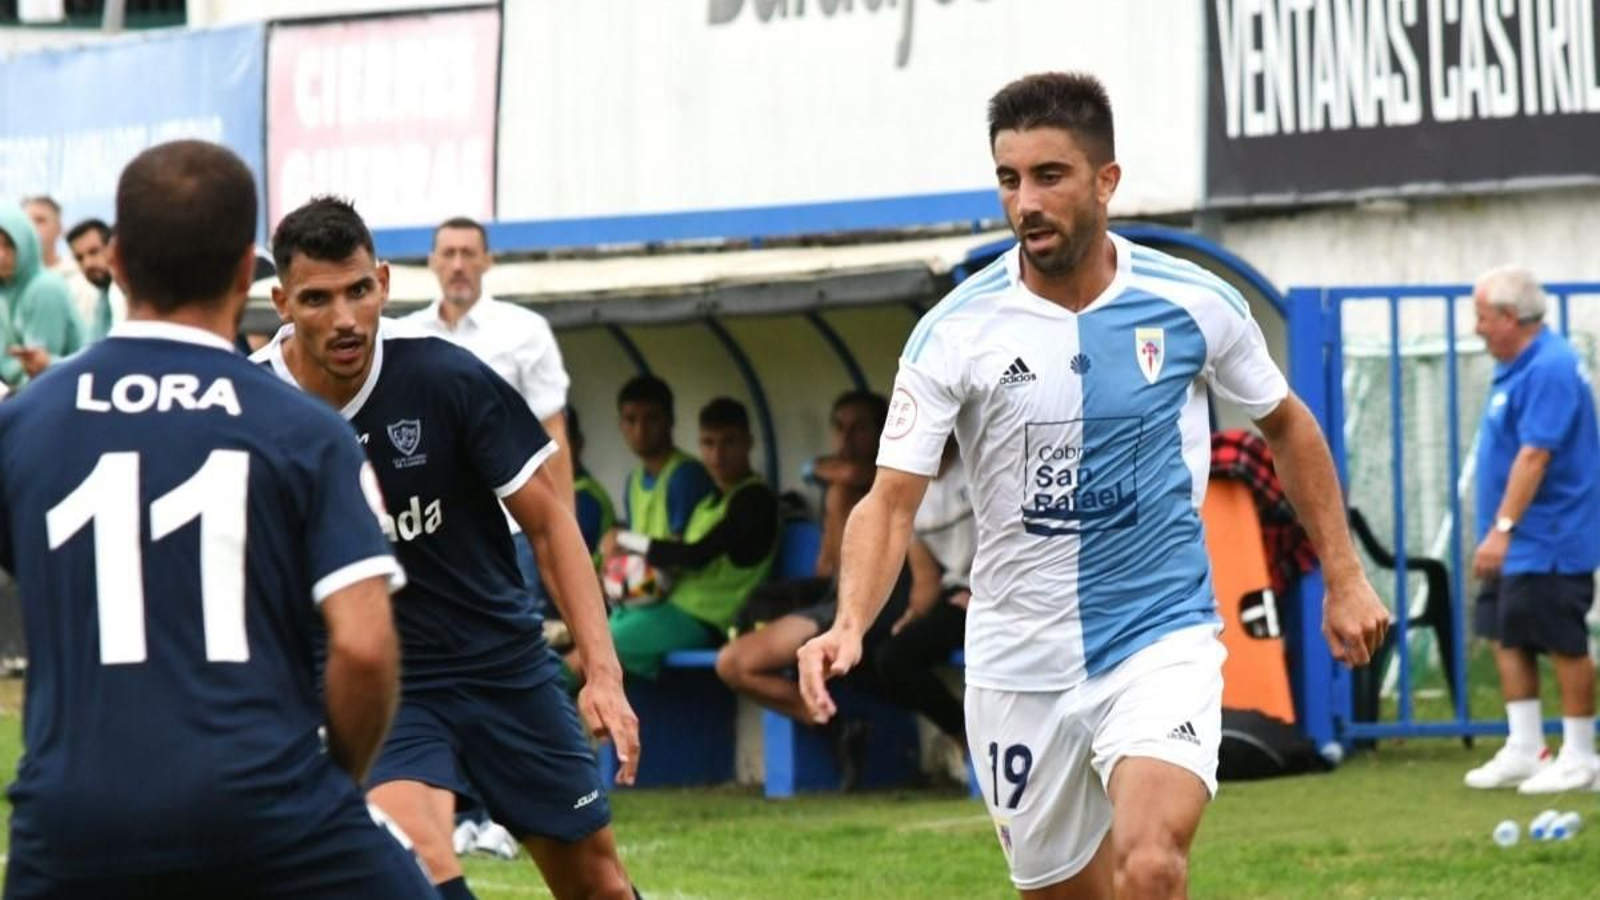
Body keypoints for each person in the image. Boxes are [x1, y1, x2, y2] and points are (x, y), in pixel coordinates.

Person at [797, 72, 1388, 898]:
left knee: (1149, 867)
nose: (1025, 202)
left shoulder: (1191, 303)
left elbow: (1288, 425)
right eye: (1009, 179)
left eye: (1049, 176)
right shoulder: (954, 334)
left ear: (1106, 181)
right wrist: (851, 622)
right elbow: (889, 498)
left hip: (1158, 638)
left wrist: (1347, 577)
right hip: (1016, 661)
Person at [0, 141, 433, 898]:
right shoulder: (305, 431)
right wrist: (332, 789)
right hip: (267, 807)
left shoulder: (25, 422)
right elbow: (365, 649)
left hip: (73, 822)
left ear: (120, 264)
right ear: (247, 272)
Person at [256, 196, 640, 900]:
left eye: (358, 292)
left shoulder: (443, 376)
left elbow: (552, 523)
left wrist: (603, 671)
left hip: (501, 662)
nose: (344, 319)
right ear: (281, 301)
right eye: (316, 299)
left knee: (600, 886)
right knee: (419, 862)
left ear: (385, 282)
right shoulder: (255, 408)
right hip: (377, 679)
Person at [715, 390, 905, 788]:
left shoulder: (905, 478)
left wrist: (819, 470)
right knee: (732, 662)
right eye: (839, 428)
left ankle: (844, 728)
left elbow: (856, 474)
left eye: (860, 428)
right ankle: (836, 725)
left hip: (892, 607)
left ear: (884, 431)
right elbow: (827, 568)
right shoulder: (838, 492)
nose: (847, 438)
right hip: (833, 605)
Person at [1462, 264, 1600, 794]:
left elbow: (1536, 454)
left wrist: (1502, 528)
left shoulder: (1551, 367)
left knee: (1562, 640)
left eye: (1481, 317)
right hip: (1517, 540)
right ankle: (1527, 747)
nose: (1475, 328)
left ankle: (1582, 755)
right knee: (1503, 631)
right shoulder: (1517, 367)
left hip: (1551, 536)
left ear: (1509, 317)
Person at [403, 217, 575, 599]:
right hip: (433, 534)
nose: (458, 265)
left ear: (488, 261)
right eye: (449, 253)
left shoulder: (526, 330)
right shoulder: (407, 335)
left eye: (468, 253)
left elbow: (554, 433)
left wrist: (568, 532)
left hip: (515, 528)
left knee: (523, 643)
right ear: (432, 262)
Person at [570, 397, 778, 686]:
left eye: (729, 443)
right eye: (708, 443)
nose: (717, 456)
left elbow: (694, 556)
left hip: (707, 622)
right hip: (669, 609)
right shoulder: (709, 501)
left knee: (591, 655)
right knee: (584, 647)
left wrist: (626, 538)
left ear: (749, 443)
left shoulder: (754, 499)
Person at [874, 437, 974, 762]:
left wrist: (987, 594)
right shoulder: (909, 491)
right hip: (958, 598)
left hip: (1009, 591)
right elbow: (926, 578)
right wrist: (914, 615)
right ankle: (964, 735)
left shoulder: (980, 463)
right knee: (891, 655)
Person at [603, 374, 716, 550]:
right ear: (621, 425)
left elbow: (679, 556)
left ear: (670, 420)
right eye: (631, 420)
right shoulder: (634, 480)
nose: (640, 430)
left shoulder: (686, 475)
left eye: (651, 418)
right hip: (643, 575)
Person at [0, 205, 85, 388]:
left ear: (25, 243)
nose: (1, 255)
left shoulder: (45, 288)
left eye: (8, 245)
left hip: (63, 393)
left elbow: (39, 371)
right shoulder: (5, 290)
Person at [23, 195, 102, 329]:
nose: (32, 227)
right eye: (26, 221)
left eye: (40, 220)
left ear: (59, 228)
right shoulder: (11, 283)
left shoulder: (81, 280)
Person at [65, 217, 126, 342]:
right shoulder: (99, 298)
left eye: (93, 252)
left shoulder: (128, 297)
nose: (87, 264)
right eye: (79, 258)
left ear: (112, 249)